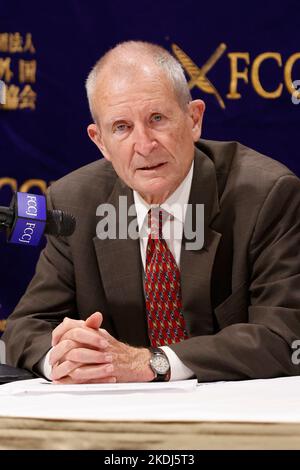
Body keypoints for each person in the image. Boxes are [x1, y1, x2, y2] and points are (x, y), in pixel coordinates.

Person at [3, 41, 300, 384]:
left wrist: (153, 363)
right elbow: (27, 326)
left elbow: (284, 336)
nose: (144, 145)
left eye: (157, 119)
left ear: (194, 119)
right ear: (100, 141)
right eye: (122, 127)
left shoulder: (267, 195)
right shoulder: (76, 202)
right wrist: (65, 356)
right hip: (119, 424)